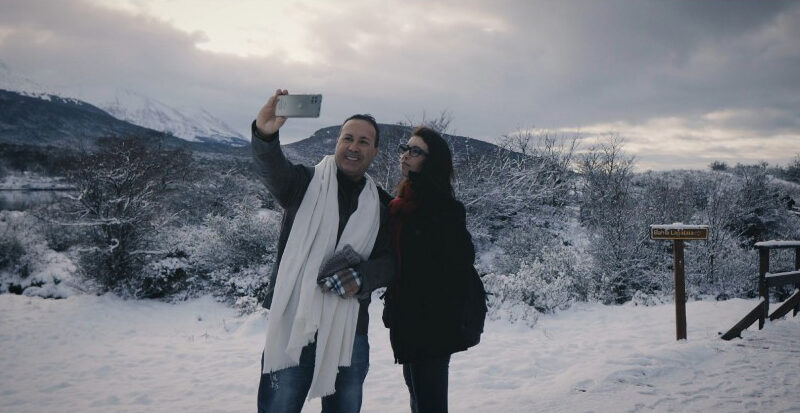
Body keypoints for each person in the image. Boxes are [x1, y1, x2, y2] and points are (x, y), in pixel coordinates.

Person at [252, 89, 394, 413]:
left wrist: (362, 277)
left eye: (363, 141)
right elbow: (271, 169)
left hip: (349, 330)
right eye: (348, 138)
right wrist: (264, 135)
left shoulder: (382, 206)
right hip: (294, 323)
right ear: (337, 142)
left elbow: (393, 261)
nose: (353, 147)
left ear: (374, 151)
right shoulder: (303, 183)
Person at [382, 126, 478, 413]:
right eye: (405, 148)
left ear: (432, 161)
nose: (405, 155)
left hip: (433, 324)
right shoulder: (402, 204)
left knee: (429, 402)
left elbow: (461, 263)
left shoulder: (444, 209)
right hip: (408, 321)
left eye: (415, 151)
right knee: (417, 396)